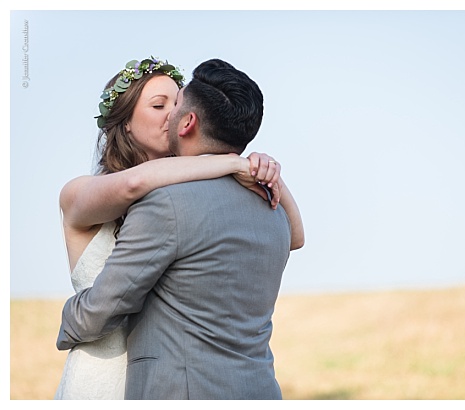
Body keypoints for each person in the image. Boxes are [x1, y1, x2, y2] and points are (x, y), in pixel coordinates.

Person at [53, 57, 304, 400]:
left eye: (176, 102)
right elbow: (133, 184)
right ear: (125, 122)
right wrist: (233, 160)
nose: (171, 113)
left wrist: (268, 171)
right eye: (158, 105)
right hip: (105, 370)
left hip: (164, 376)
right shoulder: (81, 191)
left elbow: (295, 234)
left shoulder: (184, 199)